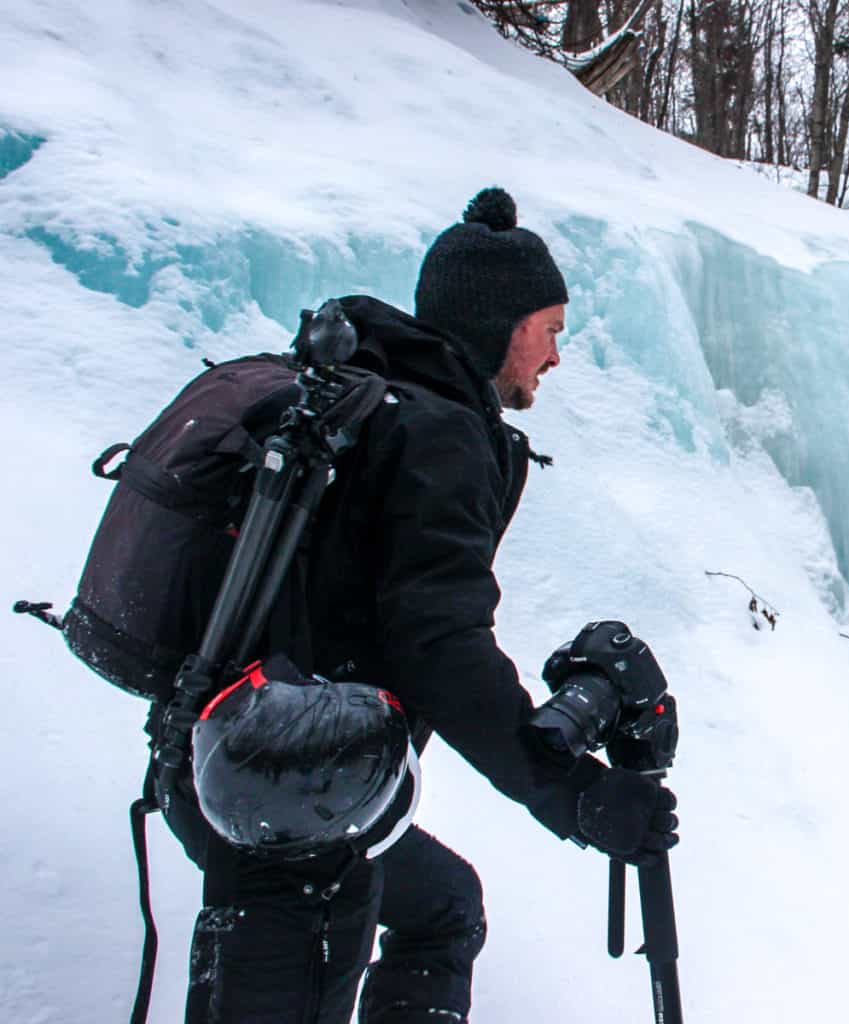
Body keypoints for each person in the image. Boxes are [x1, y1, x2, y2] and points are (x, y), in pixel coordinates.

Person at [160, 186, 680, 1023]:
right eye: (550, 330)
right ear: (503, 324)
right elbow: (441, 648)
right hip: (293, 796)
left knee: (443, 907)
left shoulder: (374, 399)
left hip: (231, 757)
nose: (555, 356)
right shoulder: (437, 434)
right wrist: (572, 793)